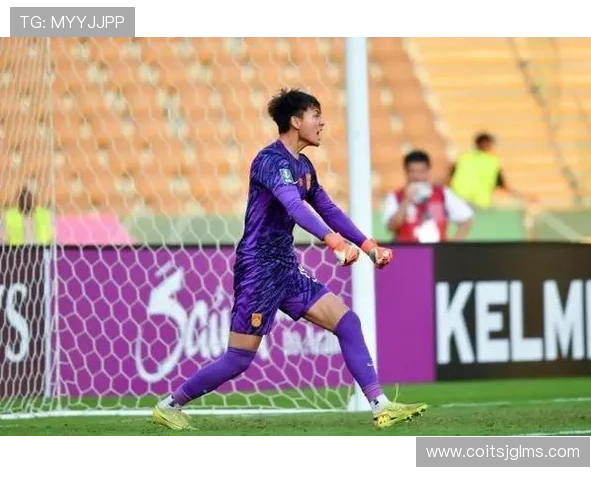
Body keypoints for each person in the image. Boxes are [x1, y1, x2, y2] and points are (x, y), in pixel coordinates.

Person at [152, 88, 427, 430]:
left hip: (286, 267)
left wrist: (368, 246)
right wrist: (333, 242)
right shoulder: (269, 161)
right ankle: (170, 405)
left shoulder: (304, 166)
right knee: (238, 359)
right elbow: (295, 207)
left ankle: (380, 406)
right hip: (258, 268)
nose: (322, 123)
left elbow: (327, 208)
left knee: (347, 323)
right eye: (316, 116)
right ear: (296, 122)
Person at [382, 150, 473, 243]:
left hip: (437, 250)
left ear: (428, 171)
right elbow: (391, 228)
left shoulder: (443, 193)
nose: (417, 176)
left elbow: (466, 219)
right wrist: (406, 200)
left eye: (421, 171)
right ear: (405, 172)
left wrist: (452, 247)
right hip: (408, 250)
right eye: (412, 171)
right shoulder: (394, 197)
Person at [449, 132, 536, 209]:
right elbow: (503, 185)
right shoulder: (492, 161)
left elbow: (450, 179)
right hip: (480, 203)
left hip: (459, 200)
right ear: (487, 145)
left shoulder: (463, 158)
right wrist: (523, 197)